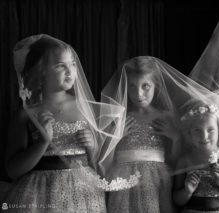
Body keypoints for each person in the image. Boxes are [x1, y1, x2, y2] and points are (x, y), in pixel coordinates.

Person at [4, 34, 125, 212]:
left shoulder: (86, 109)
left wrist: (92, 147)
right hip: (39, 194)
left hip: (82, 193)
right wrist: (42, 143)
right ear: (40, 70)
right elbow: (12, 170)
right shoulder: (26, 115)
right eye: (61, 65)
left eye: (73, 64)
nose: (70, 71)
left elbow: (100, 165)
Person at [104, 56, 184, 213]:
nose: (138, 94)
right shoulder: (119, 118)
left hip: (156, 180)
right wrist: (115, 137)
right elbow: (106, 161)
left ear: (156, 85)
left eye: (145, 86)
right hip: (124, 181)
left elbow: (175, 162)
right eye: (132, 86)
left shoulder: (165, 117)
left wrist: (176, 138)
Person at [173, 102, 219, 213]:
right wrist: (187, 191)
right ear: (189, 133)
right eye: (197, 130)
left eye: (211, 130)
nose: (204, 136)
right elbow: (177, 200)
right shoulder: (185, 161)